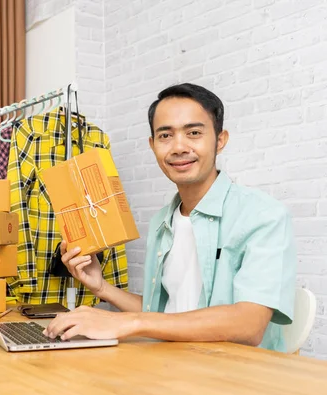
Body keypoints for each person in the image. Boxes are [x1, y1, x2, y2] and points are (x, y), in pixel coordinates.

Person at [43, 83, 296, 352]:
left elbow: (249, 325)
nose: (178, 147)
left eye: (194, 133)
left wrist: (128, 322)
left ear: (220, 140)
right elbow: (163, 313)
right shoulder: (162, 222)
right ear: (153, 146)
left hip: (235, 377)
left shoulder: (263, 216)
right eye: (165, 136)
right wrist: (101, 287)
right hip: (170, 362)